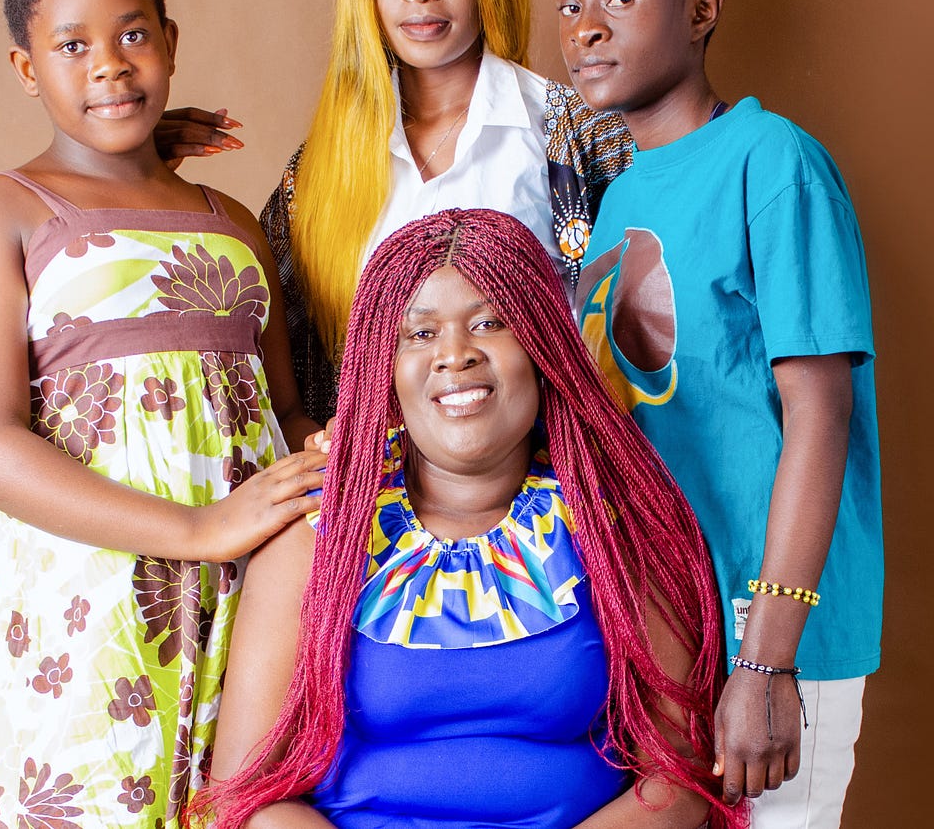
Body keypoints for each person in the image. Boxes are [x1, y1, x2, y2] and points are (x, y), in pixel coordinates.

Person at [0, 0, 324, 828]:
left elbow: (282, 406)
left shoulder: (233, 221)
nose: (110, 65)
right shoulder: (2, 216)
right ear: (28, 69)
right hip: (92, 632)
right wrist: (197, 526)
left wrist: (324, 451)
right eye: (73, 46)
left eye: (133, 34)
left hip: (249, 621)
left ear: (172, 42)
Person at [194, 208, 747, 829]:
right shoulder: (317, 532)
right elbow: (249, 796)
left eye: (489, 323)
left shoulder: (614, 521)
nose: (455, 355)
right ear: (384, 366)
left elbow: (677, 779)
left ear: (542, 346)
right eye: (420, 334)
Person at [555, 0, 882, 827]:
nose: (585, 29)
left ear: (702, 10)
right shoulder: (617, 201)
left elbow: (821, 416)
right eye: (569, 3)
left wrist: (767, 659)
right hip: (665, 627)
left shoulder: (773, 161)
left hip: (768, 634)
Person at [158, 0, 632, 422]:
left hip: (554, 500)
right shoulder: (316, 178)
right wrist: (135, 168)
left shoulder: (575, 137)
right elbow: (248, 346)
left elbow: (646, 350)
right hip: (376, 506)